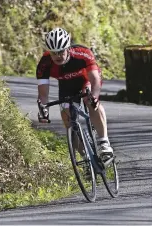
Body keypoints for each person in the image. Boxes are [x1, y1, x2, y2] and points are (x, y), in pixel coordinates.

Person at [36, 27, 114, 160]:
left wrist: (94, 97)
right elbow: (43, 94)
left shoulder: (82, 53)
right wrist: (44, 109)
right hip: (66, 85)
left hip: (86, 79)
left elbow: (95, 79)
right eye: (54, 53)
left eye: (61, 52)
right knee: (67, 118)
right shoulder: (45, 63)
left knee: (90, 102)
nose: (57, 56)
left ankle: (103, 142)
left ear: (68, 48)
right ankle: (86, 158)